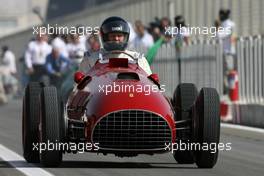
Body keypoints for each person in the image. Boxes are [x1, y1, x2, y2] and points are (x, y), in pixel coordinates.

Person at [79, 16, 152, 75]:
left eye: (119, 35)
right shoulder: (91, 59)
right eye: (112, 36)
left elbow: (150, 85)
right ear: (105, 37)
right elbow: (80, 87)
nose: (116, 38)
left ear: (125, 37)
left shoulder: (138, 59)